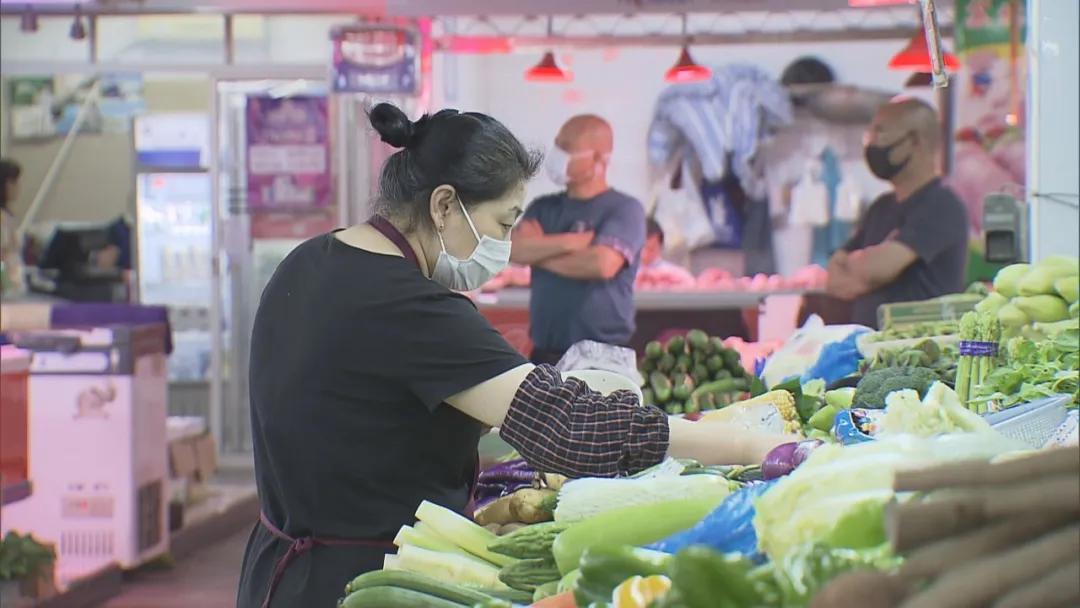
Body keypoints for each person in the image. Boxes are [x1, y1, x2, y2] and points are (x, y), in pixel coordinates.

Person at [236, 103, 794, 608]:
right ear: (444, 204)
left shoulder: (310, 261)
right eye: (504, 223)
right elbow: (571, 428)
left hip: (279, 571)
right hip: (361, 584)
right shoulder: (409, 305)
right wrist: (750, 444)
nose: (506, 247)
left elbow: (360, 415)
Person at [509, 115, 645, 365]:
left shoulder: (625, 209)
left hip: (606, 357)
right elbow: (513, 250)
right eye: (557, 145)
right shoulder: (543, 207)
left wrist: (539, 254)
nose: (557, 155)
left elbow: (602, 265)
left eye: (567, 149)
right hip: (546, 356)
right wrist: (571, 242)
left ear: (596, 158)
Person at [826, 98, 969, 328]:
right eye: (869, 134)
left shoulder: (941, 205)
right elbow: (834, 279)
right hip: (871, 350)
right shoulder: (880, 207)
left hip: (917, 353)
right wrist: (870, 270)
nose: (872, 144)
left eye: (880, 133)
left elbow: (880, 267)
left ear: (914, 141)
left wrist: (863, 269)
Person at [639, 217, 696, 283]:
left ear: (660, 246)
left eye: (651, 249)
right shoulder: (626, 274)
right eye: (641, 248)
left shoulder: (677, 276)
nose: (644, 254)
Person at [1, 158, 25, 298]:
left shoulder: (8, 217)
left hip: (15, 286)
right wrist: (7, 288)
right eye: (13, 182)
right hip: (7, 291)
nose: (18, 187)